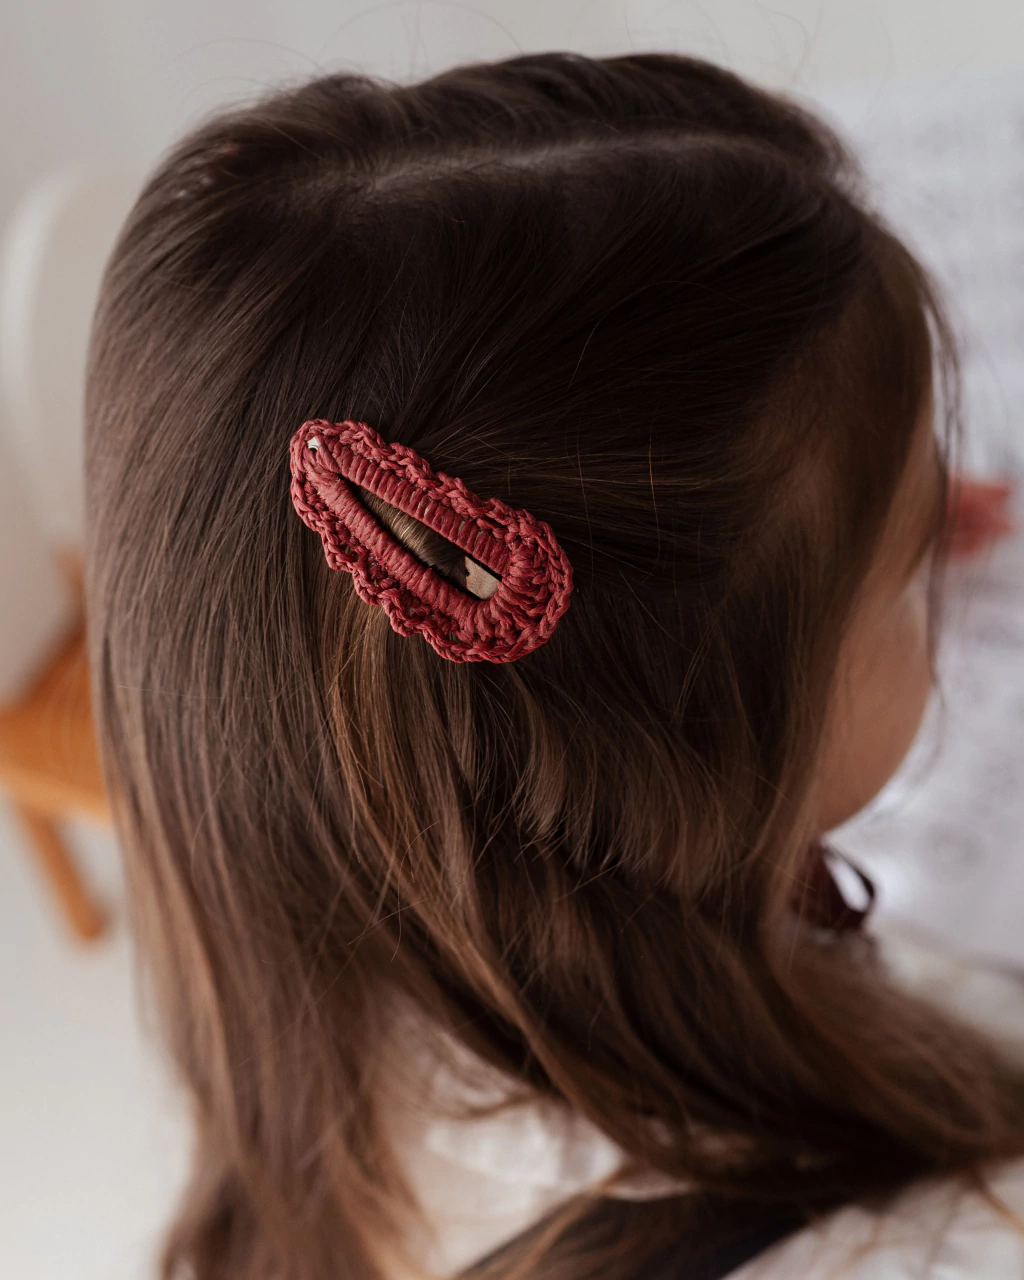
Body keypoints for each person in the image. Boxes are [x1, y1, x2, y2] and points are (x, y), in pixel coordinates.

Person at [83, 50, 1023, 1280]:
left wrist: (825, 544)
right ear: (678, 739)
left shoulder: (307, 959)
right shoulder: (956, 1240)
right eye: (902, 582)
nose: (929, 588)